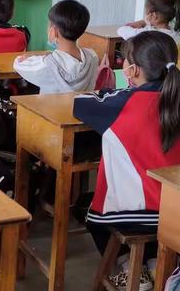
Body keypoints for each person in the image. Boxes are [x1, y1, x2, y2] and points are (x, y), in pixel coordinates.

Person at [73, 31, 180, 289]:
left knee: (90, 215)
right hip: (176, 212)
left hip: (133, 214)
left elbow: (80, 103)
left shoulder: (121, 103)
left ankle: (129, 267)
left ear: (132, 70)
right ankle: (157, 264)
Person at [14, 0, 98, 93]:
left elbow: (19, 65)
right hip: (80, 107)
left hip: (49, 108)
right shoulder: (92, 57)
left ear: (53, 32)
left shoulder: (47, 64)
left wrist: (22, 59)